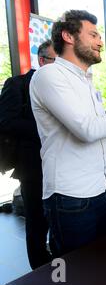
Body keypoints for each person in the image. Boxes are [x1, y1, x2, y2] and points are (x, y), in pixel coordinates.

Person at [30, 10, 106, 257]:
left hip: (102, 192)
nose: (100, 41)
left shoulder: (87, 81)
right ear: (68, 36)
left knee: (103, 265)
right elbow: (87, 130)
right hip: (70, 198)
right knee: (77, 275)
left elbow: (103, 137)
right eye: (93, 34)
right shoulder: (48, 75)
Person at [0, 40, 56, 269]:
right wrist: (46, 130)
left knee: (57, 219)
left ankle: (58, 267)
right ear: (42, 60)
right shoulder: (17, 84)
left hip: (60, 165)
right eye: (56, 61)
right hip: (33, 166)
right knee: (36, 222)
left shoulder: (62, 88)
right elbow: (6, 121)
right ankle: (40, 272)